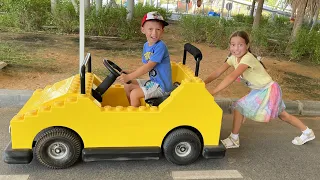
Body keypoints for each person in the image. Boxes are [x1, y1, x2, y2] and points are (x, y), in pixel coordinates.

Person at [204, 30, 315, 148]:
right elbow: (217, 72)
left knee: (239, 108)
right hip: (261, 90)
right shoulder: (233, 58)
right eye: (233, 44)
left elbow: (232, 76)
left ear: (247, 45)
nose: (236, 48)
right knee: (282, 115)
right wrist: (202, 83)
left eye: (240, 45)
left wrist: (213, 91)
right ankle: (307, 132)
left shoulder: (247, 58)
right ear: (230, 46)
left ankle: (234, 139)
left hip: (268, 90)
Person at [117, 11, 173, 107]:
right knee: (127, 85)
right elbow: (145, 65)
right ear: (143, 30)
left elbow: (148, 67)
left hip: (162, 86)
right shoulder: (146, 46)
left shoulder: (160, 47)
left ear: (162, 31)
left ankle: (136, 119)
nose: (154, 33)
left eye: (158, 29)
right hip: (153, 82)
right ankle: (132, 108)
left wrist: (130, 76)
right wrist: (130, 72)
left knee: (134, 94)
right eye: (150, 29)